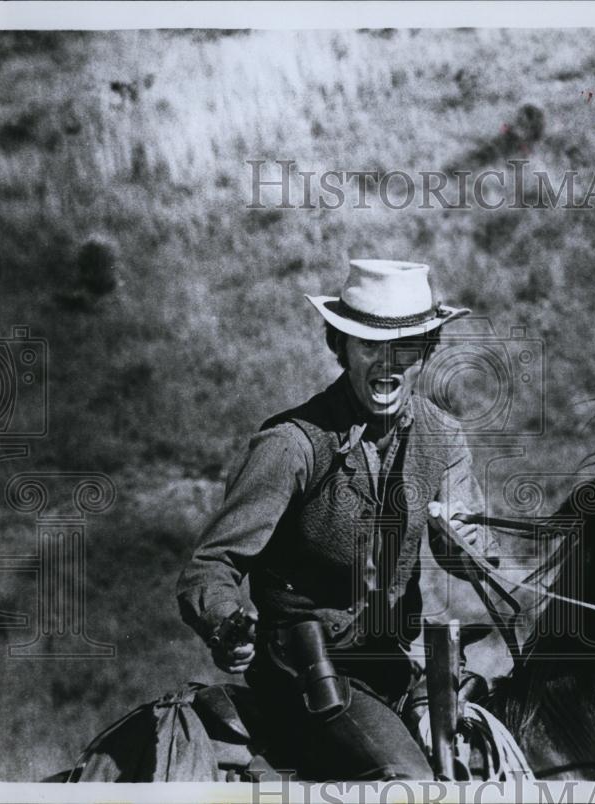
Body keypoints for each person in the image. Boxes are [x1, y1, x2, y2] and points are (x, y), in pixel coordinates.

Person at [176, 259, 499, 781]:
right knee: (410, 785)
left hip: (399, 664)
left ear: (428, 352)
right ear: (339, 346)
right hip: (306, 670)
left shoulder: (444, 437)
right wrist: (226, 623)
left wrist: (464, 545)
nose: (387, 366)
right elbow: (210, 566)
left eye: (405, 350)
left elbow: (471, 552)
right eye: (370, 347)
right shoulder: (291, 445)